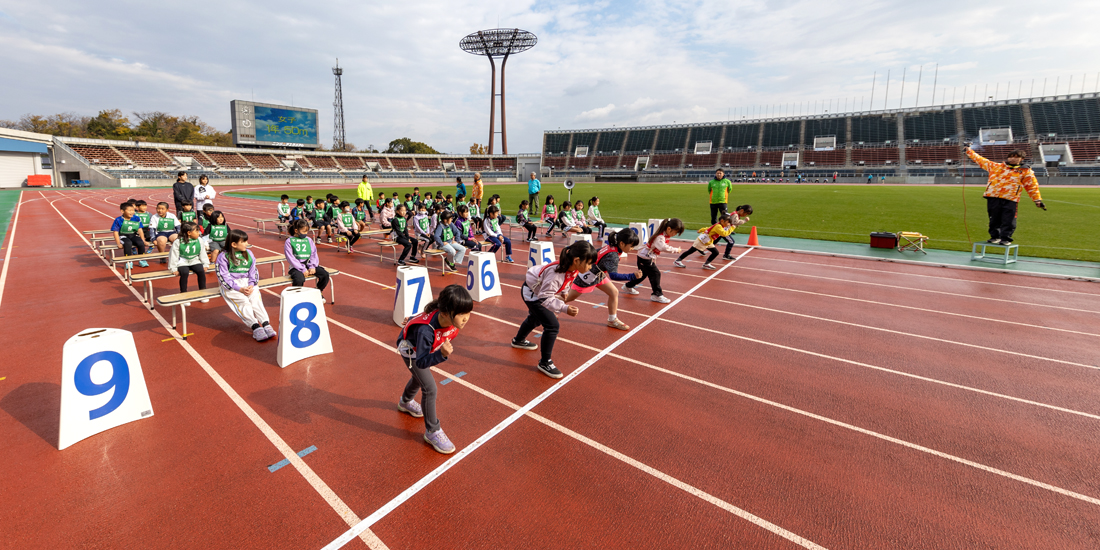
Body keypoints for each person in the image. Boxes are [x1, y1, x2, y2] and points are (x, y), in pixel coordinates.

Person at [396, 284, 474, 454]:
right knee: (430, 389)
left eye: (468, 312)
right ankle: (432, 431)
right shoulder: (426, 331)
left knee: (419, 379)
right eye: (461, 314)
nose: (466, 318)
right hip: (412, 352)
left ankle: (405, 401)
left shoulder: (445, 317)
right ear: (445, 314)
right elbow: (422, 362)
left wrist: (411, 321)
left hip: (422, 347)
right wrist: (442, 355)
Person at [510, 241, 597, 379]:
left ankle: (518, 340)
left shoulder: (573, 268)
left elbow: (568, 281)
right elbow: (544, 299)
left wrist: (564, 292)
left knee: (535, 318)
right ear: (577, 260)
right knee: (552, 325)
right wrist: (564, 308)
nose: (590, 267)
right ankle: (545, 362)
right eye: (589, 263)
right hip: (533, 295)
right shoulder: (556, 274)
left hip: (537, 292)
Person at [965, 145, 1045, 245]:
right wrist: (969, 151)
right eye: (1011, 156)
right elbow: (981, 160)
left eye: (1016, 157)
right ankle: (995, 236)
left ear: (1022, 159)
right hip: (993, 196)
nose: (1012, 159)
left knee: (1009, 220)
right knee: (993, 219)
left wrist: (1037, 200)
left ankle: (1006, 238)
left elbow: (1032, 186)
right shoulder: (996, 166)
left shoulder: (1025, 172)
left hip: (1010, 198)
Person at [563, 228, 640, 331]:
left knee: (614, 292)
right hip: (587, 277)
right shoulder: (613, 256)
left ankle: (612, 320)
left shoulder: (612, 247)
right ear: (622, 243)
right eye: (631, 246)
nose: (632, 249)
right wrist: (632, 276)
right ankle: (547, 304)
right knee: (568, 298)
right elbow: (614, 276)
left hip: (598, 274)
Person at [216, 229, 274, 342]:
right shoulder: (223, 256)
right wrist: (239, 289)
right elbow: (224, 277)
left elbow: (253, 271)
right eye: (244, 242)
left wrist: (251, 284)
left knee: (255, 299)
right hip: (232, 285)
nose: (247, 244)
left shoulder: (249, 253)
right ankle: (255, 327)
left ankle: (265, 323)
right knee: (244, 302)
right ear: (234, 244)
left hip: (248, 283)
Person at [624, 218, 684, 303]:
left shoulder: (664, 234)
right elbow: (663, 247)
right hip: (644, 257)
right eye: (675, 232)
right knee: (656, 274)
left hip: (646, 256)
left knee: (643, 274)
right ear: (669, 229)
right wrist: (675, 250)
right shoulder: (660, 237)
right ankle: (657, 294)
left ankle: (628, 286)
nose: (675, 234)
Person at [168, 221, 210, 301]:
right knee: (184, 272)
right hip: (182, 261)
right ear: (189, 233)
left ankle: (203, 292)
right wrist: (173, 268)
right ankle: (184, 294)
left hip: (194, 260)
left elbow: (202, 253)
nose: (199, 233)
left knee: (201, 271)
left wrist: (205, 264)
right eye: (197, 231)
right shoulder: (178, 242)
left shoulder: (199, 240)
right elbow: (173, 255)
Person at [285, 219, 331, 295]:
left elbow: (313, 254)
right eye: (304, 232)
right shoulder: (289, 241)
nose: (306, 234)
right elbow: (291, 258)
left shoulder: (309, 240)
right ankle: (296, 296)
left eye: (307, 231)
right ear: (296, 231)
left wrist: (312, 266)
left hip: (308, 265)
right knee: (299, 279)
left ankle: (319, 291)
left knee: (325, 274)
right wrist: (302, 269)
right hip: (295, 267)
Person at [111, 201, 148, 268]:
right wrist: (118, 243)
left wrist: (143, 240)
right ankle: (128, 261)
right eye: (129, 210)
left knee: (140, 242)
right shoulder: (118, 220)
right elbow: (115, 232)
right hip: (123, 236)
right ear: (122, 211)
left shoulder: (136, 218)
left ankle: (142, 260)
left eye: (133, 210)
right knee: (128, 243)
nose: (132, 212)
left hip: (133, 235)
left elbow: (140, 229)